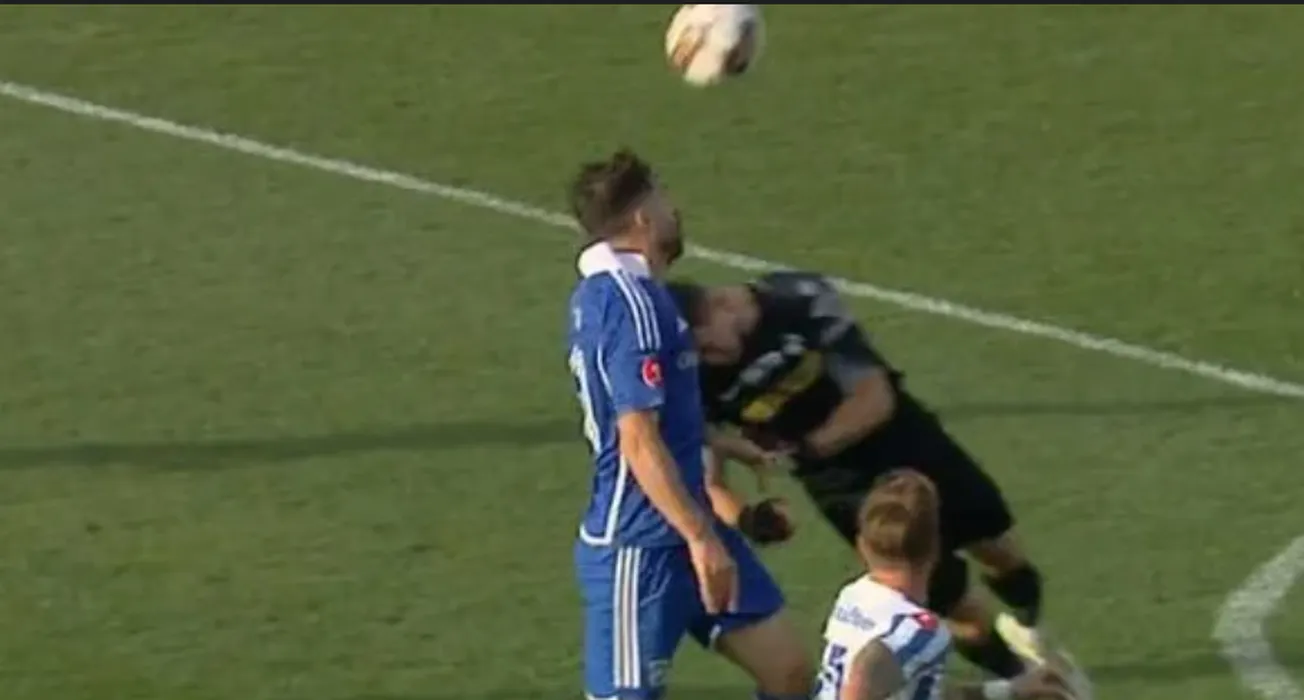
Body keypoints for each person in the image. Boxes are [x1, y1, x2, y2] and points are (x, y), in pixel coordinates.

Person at [665, 271, 1089, 695]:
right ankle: (1019, 678)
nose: (709, 360)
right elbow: (711, 480)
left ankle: (1029, 625)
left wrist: (803, 449)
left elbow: (874, 398)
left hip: (903, 437)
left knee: (998, 548)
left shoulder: (795, 297)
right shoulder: (693, 372)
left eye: (708, 347)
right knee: (955, 605)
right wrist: (752, 519)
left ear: (719, 305)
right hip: (841, 485)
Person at [565, 150, 811, 700]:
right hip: (640, 547)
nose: (673, 209)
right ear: (642, 217)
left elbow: (653, 408)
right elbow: (636, 438)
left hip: (686, 520)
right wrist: (701, 537)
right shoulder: (629, 306)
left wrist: (723, 444)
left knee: (790, 674)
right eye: (663, 198)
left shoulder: (633, 294)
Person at [816, 468, 1073, 700]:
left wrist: (1010, 690)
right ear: (936, 548)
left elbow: (921, 688)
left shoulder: (854, 596)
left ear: (862, 545)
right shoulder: (916, 630)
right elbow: (867, 670)